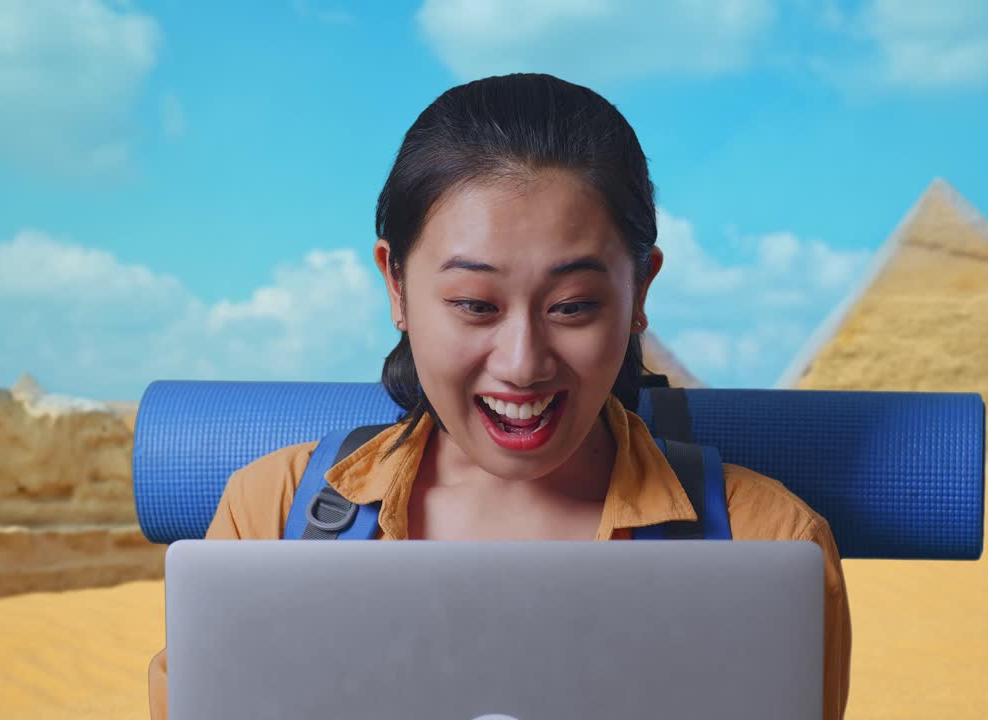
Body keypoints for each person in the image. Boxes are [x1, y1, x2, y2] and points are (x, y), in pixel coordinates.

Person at [147, 73, 851, 719]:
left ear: (641, 292)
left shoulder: (773, 543)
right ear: (395, 285)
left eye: (573, 306)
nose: (521, 365)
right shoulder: (269, 518)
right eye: (474, 304)